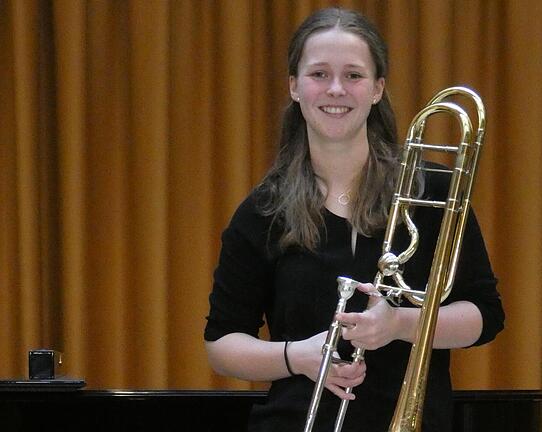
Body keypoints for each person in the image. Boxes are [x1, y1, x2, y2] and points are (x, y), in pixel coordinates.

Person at [203, 7, 504, 432]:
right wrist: (299, 356)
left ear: (378, 89)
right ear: (294, 87)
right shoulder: (263, 211)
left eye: (354, 75)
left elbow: (485, 314)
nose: (336, 89)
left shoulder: (433, 191)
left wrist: (399, 324)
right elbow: (222, 344)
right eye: (319, 74)